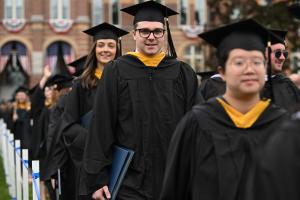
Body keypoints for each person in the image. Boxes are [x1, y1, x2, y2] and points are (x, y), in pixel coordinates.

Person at [81, 1, 198, 199]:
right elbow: (102, 126)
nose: (151, 37)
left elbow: (196, 127)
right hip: (129, 180)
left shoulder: (182, 73)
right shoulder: (116, 70)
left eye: (157, 31)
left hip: (174, 178)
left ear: (164, 33)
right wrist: (97, 179)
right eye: (144, 31)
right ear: (134, 34)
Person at [160, 19, 288, 200]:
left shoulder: (282, 127)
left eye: (257, 62)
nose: (249, 69)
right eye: (239, 62)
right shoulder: (196, 124)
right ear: (222, 71)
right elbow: (174, 191)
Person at [52, 22, 128, 200]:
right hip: (90, 163)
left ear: (117, 49)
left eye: (111, 45)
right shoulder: (81, 84)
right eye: (101, 45)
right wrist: (96, 141)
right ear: (94, 49)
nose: (105, 50)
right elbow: (68, 126)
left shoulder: (126, 82)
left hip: (120, 158)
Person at [261, 29, 300, 112]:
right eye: (277, 53)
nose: (282, 58)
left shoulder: (288, 85)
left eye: (284, 54)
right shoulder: (249, 86)